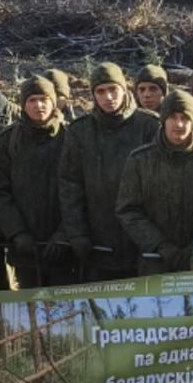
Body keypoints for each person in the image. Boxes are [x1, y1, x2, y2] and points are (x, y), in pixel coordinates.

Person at [58, 62, 157, 280]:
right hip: (97, 239)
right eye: (101, 91)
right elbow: (70, 185)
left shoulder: (149, 125)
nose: (108, 97)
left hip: (142, 239)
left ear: (124, 89)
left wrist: (156, 239)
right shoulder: (80, 131)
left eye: (113, 89)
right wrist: (77, 233)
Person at [114, 87, 193, 276]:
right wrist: (160, 245)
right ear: (163, 120)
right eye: (173, 117)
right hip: (154, 261)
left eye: (185, 118)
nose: (179, 124)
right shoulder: (140, 160)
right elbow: (128, 210)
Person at [0, 78, 75, 288]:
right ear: (23, 105)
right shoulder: (8, 140)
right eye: (32, 100)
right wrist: (17, 232)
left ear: (54, 102)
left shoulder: (71, 138)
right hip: (24, 248)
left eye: (44, 99)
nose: (39, 105)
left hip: (65, 248)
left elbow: (80, 190)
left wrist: (65, 234)